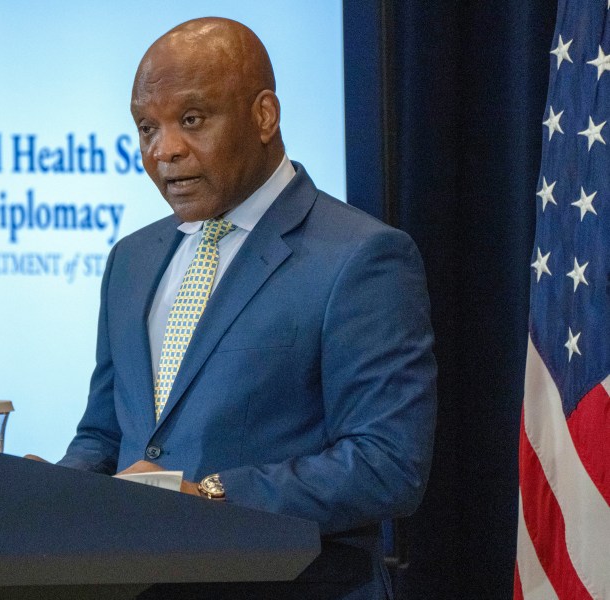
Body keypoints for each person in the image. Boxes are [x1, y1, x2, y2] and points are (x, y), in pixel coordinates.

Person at [39, 17, 437, 599]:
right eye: (147, 127)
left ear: (264, 116)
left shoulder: (360, 257)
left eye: (192, 120)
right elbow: (105, 436)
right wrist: (41, 494)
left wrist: (209, 496)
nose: (164, 150)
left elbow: (387, 465)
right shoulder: (132, 258)